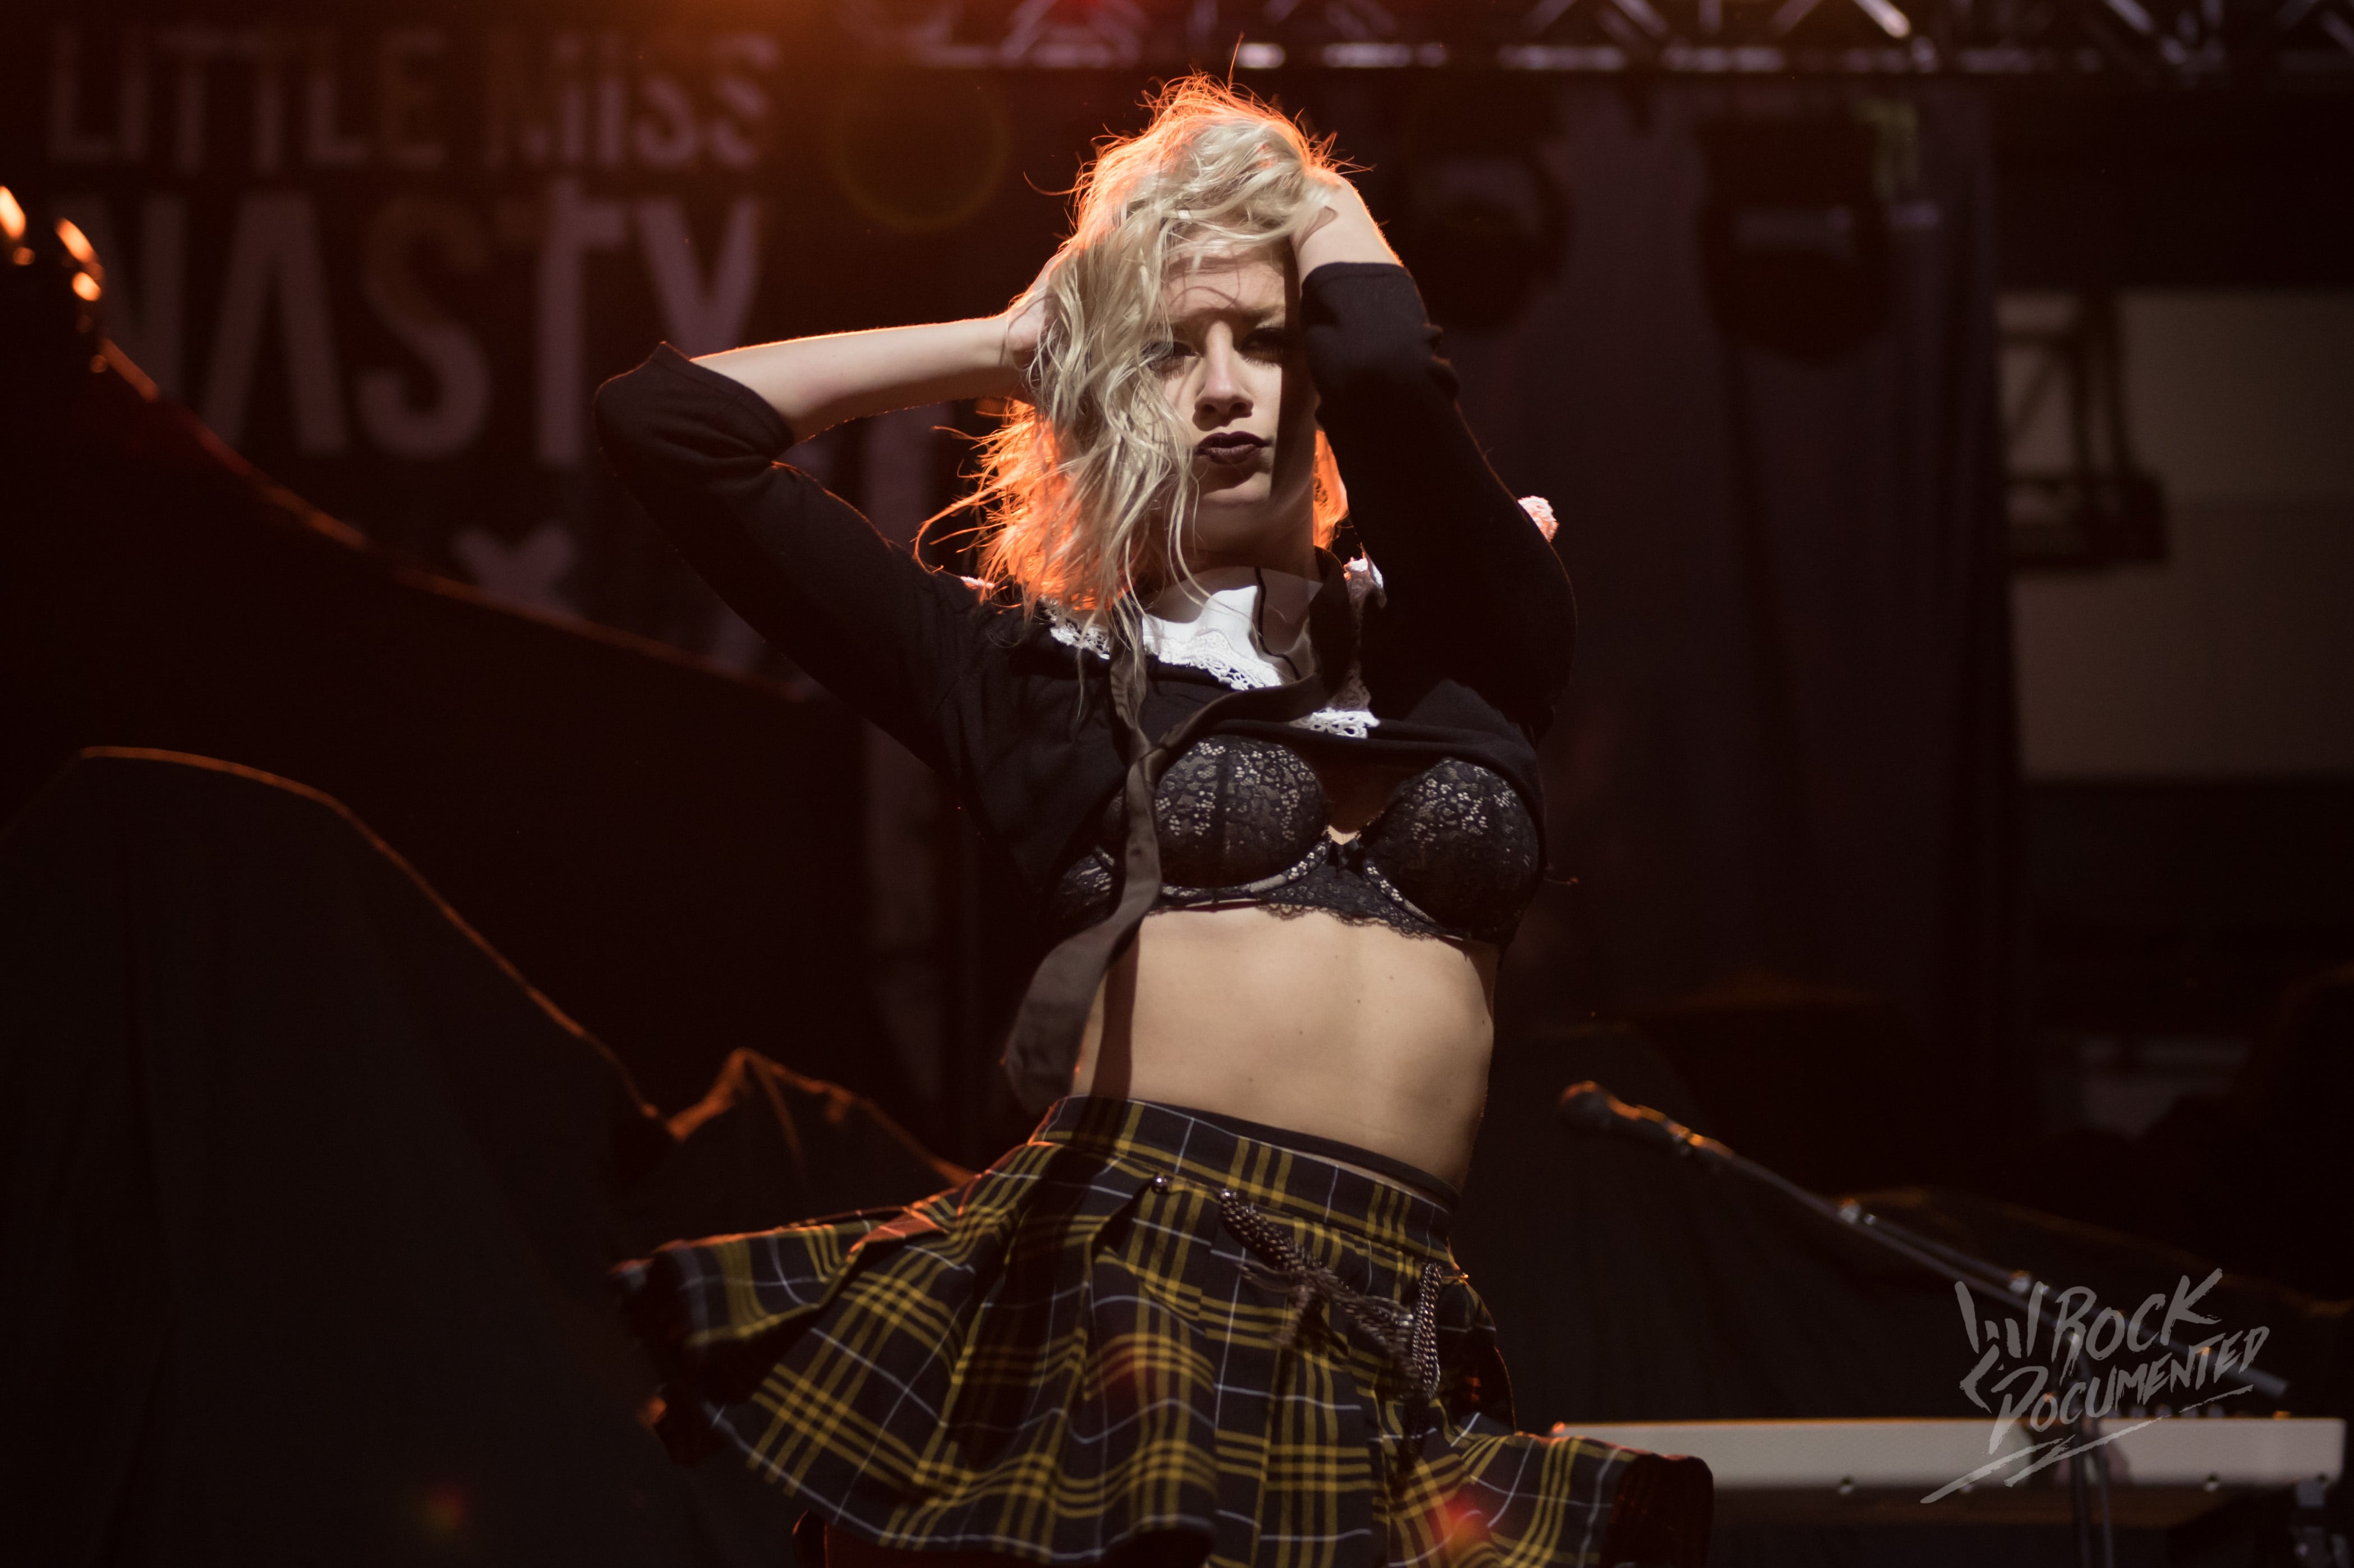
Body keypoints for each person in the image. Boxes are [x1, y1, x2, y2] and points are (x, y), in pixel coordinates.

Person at [595, 77, 1708, 1568]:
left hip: (1385, 1309)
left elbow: (1389, 363)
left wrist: (1284, 180)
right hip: (1130, 1281)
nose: (1226, 389)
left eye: (1268, 338)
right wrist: (1011, 343)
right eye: (1171, 352)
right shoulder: (1028, 678)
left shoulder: (1472, 633)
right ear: (1106, 387)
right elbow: (670, 429)